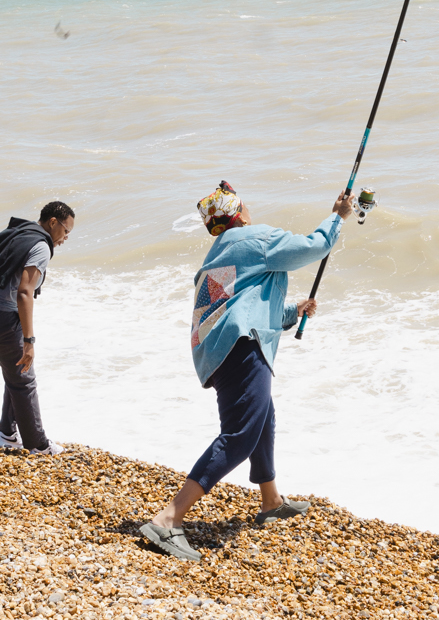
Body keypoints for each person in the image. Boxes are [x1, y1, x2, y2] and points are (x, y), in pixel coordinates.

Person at [140, 179, 354, 561]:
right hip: (242, 346)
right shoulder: (254, 239)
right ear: (238, 213)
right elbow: (312, 247)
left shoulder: (220, 253)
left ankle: (271, 501)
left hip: (218, 351)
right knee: (240, 434)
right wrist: (337, 217)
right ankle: (168, 519)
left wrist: (293, 311)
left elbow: (237, 302)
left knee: (262, 419)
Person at [0, 200, 76, 455]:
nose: (66, 237)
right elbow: (25, 292)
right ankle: (36, 443)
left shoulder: (21, 233)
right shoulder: (41, 246)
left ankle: (7, 433)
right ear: (52, 223)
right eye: (66, 230)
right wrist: (29, 341)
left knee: (15, 369)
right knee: (25, 378)